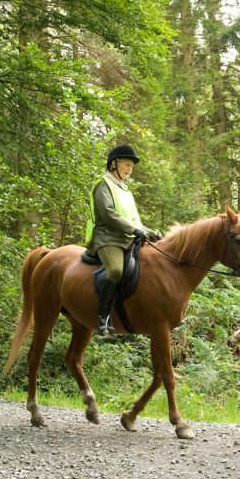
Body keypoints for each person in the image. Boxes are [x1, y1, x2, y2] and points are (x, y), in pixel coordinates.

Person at [84, 144, 163, 336]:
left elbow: (134, 220)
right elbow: (109, 215)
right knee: (116, 270)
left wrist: (148, 231)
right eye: (126, 164)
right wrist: (135, 230)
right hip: (107, 239)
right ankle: (103, 318)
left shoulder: (125, 191)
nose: (129, 169)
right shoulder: (103, 185)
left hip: (127, 238)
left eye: (131, 166)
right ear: (114, 164)